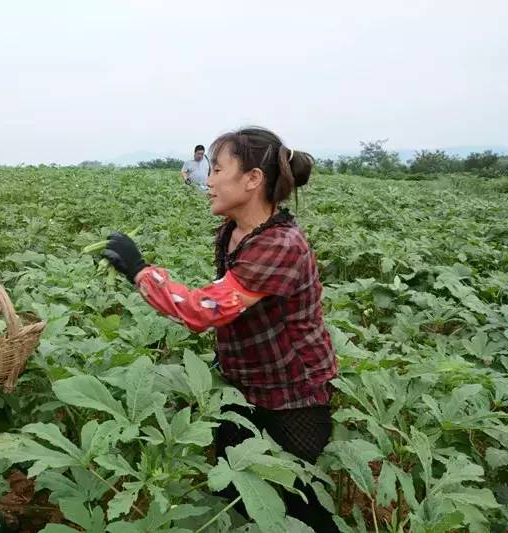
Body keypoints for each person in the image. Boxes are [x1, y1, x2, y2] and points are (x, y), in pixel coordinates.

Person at [103, 127, 339, 532]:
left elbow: (205, 310)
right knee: (235, 491)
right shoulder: (234, 232)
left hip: (292, 394)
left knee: (299, 507)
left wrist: (142, 272)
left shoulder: (281, 244)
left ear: (252, 180)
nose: (207, 181)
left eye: (217, 170)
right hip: (241, 382)